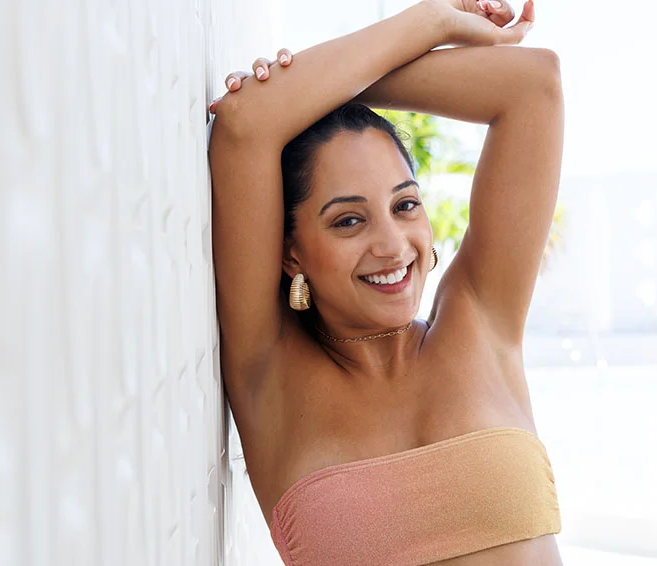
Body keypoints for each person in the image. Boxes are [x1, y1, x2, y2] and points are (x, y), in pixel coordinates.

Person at [207, 0, 564, 564]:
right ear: (291, 252)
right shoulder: (270, 371)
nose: (392, 246)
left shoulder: (480, 320)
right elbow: (246, 124)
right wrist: (432, 21)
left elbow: (533, 84)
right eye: (348, 220)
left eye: (404, 205)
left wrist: (325, 91)